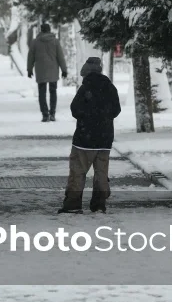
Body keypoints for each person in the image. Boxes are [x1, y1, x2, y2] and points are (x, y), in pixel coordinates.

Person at [59, 57, 122, 214]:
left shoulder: (85, 88)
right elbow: (116, 110)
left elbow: (75, 109)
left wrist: (88, 117)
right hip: (105, 139)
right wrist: (103, 117)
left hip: (84, 139)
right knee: (101, 173)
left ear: (85, 73)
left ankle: (73, 205)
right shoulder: (110, 87)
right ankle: (99, 204)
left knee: (78, 171)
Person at [27, 23, 68, 122]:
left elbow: (30, 57)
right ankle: (52, 113)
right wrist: (64, 70)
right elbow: (60, 57)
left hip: (40, 71)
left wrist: (29, 69)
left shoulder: (35, 42)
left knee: (42, 92)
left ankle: (45, 114)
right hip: (53, 70)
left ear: (41, 30)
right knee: (53, 92)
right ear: (49, 30)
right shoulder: (55, 41)